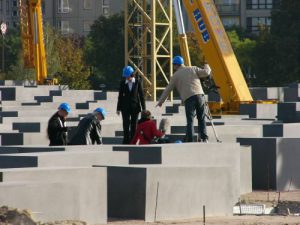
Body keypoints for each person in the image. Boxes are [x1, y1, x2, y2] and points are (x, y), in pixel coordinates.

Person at [157, 56, 212, 142]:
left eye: (174, 65)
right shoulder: (193, 68)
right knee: (201, 118)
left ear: (175, 65)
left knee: (190, 120)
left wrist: (161, 101)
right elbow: (207, 72)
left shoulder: (175, 76)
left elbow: (168, 89)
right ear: (182, 63)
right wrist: (206, 65)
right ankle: (204, 138)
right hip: (200, 96)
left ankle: (190, 139)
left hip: (189, 98)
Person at [117, 65, 146, 144]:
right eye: (125, 77)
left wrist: (144, 108)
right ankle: (126, 140)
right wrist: (118, 108)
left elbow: (141, 96)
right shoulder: (123, 83)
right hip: (125, 107)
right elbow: (120, 96)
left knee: (134, 125)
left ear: (132, 75)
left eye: (128, 76)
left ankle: (133, 141)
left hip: (135, 107)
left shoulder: (137, 82)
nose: (127, 78)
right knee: (125, 125)